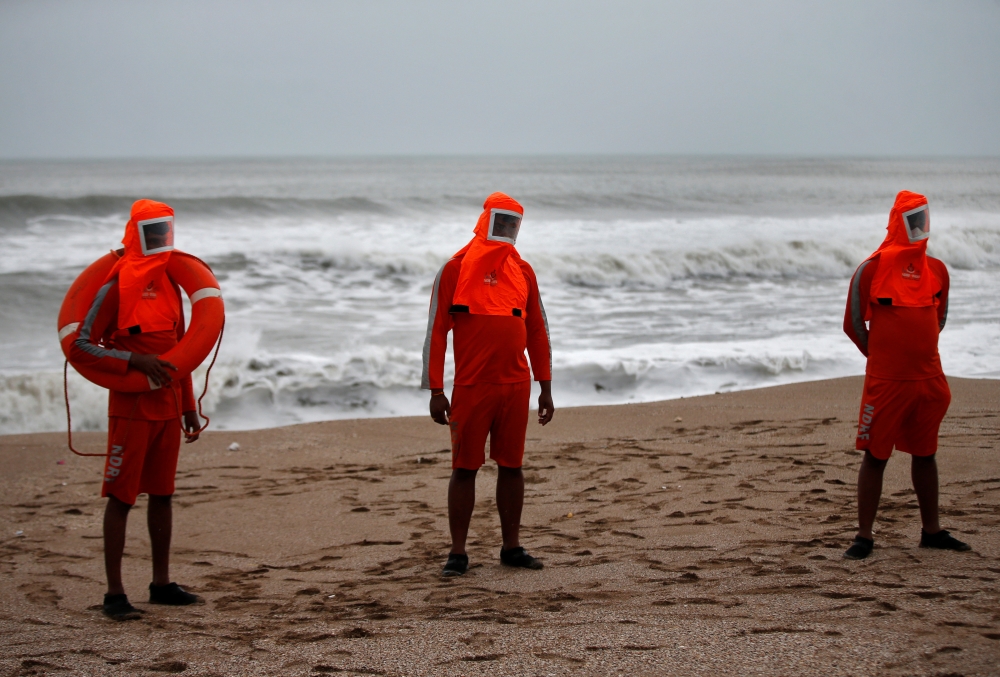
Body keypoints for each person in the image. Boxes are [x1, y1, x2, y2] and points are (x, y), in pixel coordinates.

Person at [70, 199, 204, 618]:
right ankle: (114, 594)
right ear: (136, 233)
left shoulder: (170, 282)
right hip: (131, 408)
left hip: (167, 407)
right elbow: (81, 343)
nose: (163, 239)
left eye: (167, 230)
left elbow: (180, 350)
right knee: (122, 498)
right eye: (154, 231)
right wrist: (133, 360)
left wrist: (188, 408)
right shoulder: (116, 285)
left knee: (163, 495)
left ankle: (161, 583)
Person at [422, 192, 554, 576]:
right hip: (472, 386)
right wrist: (435, 389)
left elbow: (537, 331)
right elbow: (435, 334)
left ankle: (511, 547)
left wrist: (545, 385)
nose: (508, 228)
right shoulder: (454, 269)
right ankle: (458, 553)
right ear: (485, 220)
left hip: (516, 386)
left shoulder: (523, 271)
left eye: (515, 222)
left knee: (512, 466)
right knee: (465, 468)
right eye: (502, 220)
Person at [842, 190, 971, 560]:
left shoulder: (938, 269)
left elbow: (938, 318)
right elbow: (852, 323)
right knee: (875, 456)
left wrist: (918, 355)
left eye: (923, 218)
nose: (919, 226)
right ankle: (864, 536)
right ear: (898, 221)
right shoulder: (872, 268)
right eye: (913, 218)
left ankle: (931, 531)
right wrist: (881, 357)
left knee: (926, 454)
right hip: (886, 383)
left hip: (928, 380)